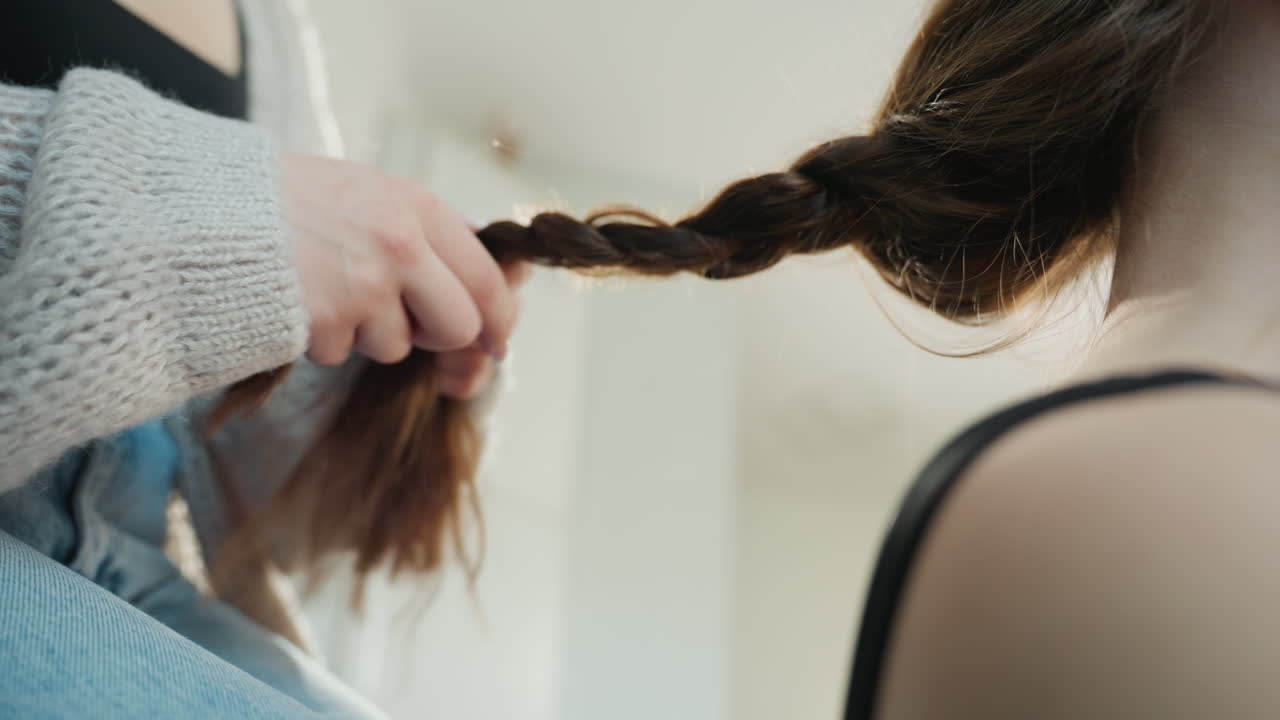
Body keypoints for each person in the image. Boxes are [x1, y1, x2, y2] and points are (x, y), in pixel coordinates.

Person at [0, 1, 518, 717]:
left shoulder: (275, 28)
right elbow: (241, 217)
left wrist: (373, 372)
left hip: (142, 561)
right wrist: (210, 215)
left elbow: (267, 514)